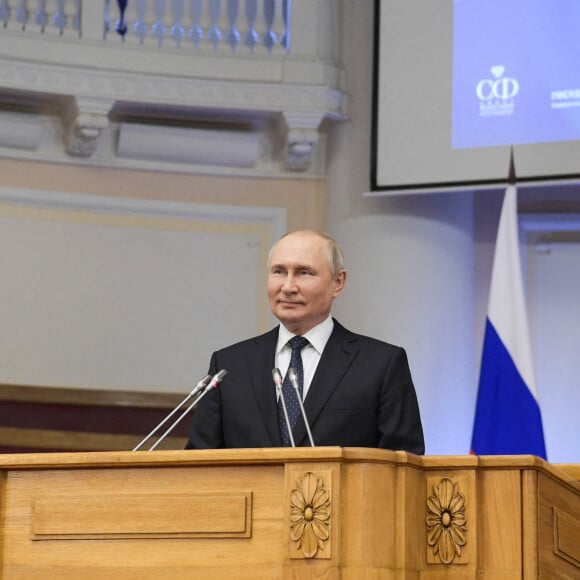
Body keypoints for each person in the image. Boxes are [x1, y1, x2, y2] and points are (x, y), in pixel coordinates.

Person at [185, 229, 424, 453]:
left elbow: (403, 467)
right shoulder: (229, 366)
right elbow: (198, 465)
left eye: (304, 272)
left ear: (338, 282)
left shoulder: (381, 365)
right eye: (279, 271)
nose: (288, 287)